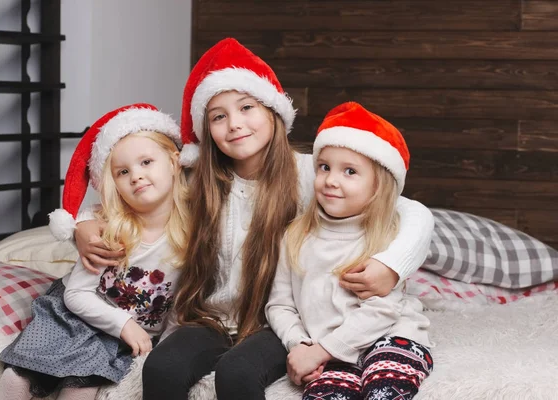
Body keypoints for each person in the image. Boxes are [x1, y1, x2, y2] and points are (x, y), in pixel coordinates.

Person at [72, 38, 433, 400]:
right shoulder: (196, 178)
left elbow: (407, 209)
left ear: (273, 111)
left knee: (238, 373)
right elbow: (134, 195)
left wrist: (391, 265)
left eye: (247, 107)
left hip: (274, 322)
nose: (235, 125)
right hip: (209, 317)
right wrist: (84, 225)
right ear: (207, 129)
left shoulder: (311, 173)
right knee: (163, 368)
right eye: (218, 116)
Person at [0, 104, 188, 400]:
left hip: (124, 333)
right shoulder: (105, 228)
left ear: (175, 162)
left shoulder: (194, 233)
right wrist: (124, 324)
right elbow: (76, 296)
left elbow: (182, 303)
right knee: (19, 375)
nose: (136, 176)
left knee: (81, 387)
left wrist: (162, 343)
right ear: (113, 183)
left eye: (146, 162)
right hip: (76, 313)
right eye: (123, 171)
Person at [266, 101, 434, 400]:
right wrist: (300, 346)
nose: (331, 180)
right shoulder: (294, 235)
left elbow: (383, 310)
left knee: (385, 389)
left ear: (377, 187)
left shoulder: (386, 236)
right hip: (326, 350)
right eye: (325, 167)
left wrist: (323, 349)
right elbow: (280, 304)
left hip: (389, 337)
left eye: (350, 171)